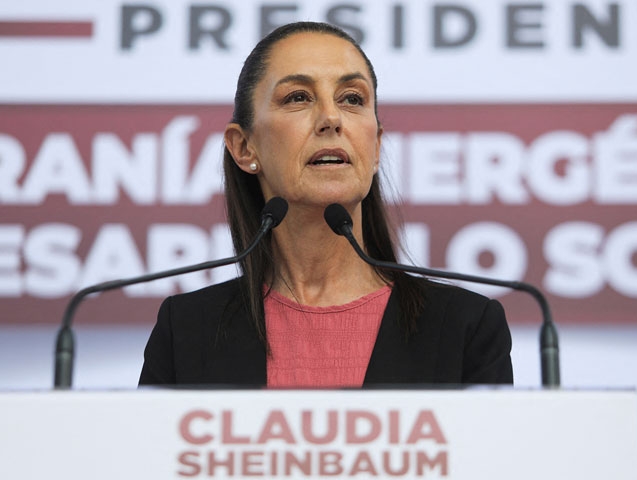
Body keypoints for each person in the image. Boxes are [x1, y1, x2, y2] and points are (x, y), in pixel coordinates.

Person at [139, 22, 512, 387]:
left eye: (352, 98)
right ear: (244, 147)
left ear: (376, 147)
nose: (331, 119)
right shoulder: (186, 330)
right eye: (298, 97)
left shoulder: (468, 326)